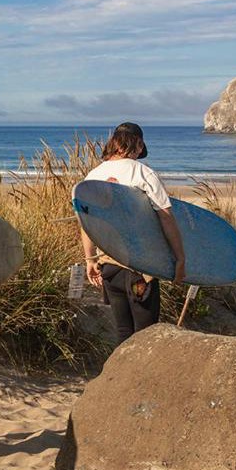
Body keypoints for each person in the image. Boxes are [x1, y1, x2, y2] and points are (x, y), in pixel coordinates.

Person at [79, 122, 186, 344]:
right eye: (140, 148)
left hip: (109, 268)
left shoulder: (94, 175)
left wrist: (90, 260)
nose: (139, 154)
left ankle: (119, 377)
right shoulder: (143, 172)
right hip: (139, 271)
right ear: (137, 144)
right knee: (146, 337)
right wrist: (180, 258)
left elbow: (88, 222)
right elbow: (166, 218)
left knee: (123, 333)